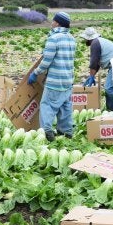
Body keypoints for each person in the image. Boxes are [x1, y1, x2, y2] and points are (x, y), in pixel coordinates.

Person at [27, 11, 76, 141]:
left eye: (53, 21)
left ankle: (47, 131)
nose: (51, 23)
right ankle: (66, 132)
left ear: (58, 23)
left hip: (55, 80)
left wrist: (35, 73)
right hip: (68, 79)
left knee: (47, 105)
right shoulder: (71, 38)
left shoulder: (53, 38)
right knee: (65, 106)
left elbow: (46, 61)